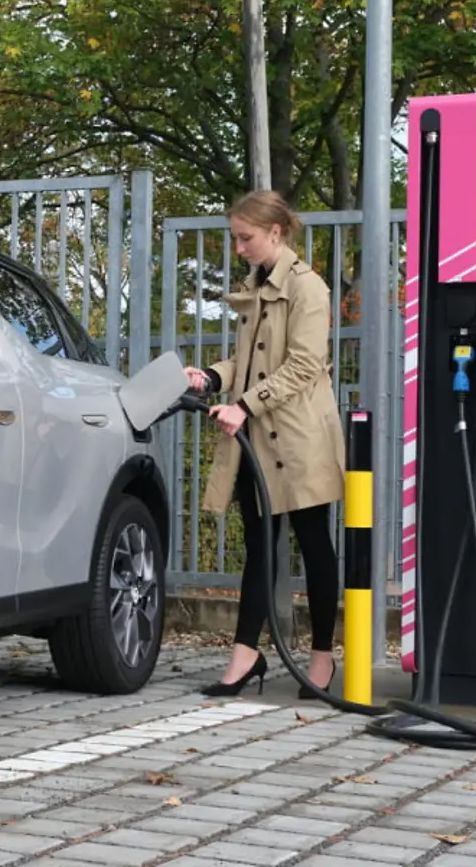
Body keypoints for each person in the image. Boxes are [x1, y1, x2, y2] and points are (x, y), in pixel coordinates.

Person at [185, 189, 346, 699]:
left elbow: (303, 365)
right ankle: (246, 655)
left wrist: (245, 405)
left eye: (245, 237)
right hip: (255, 433)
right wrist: (212, 377)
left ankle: (323, 658)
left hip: (299, 437)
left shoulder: (308, 289)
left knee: (313, 545)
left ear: (275, 233)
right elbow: (249, 363)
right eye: (236, 237)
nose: (239, 248)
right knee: (258, 548)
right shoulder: (253, 288)